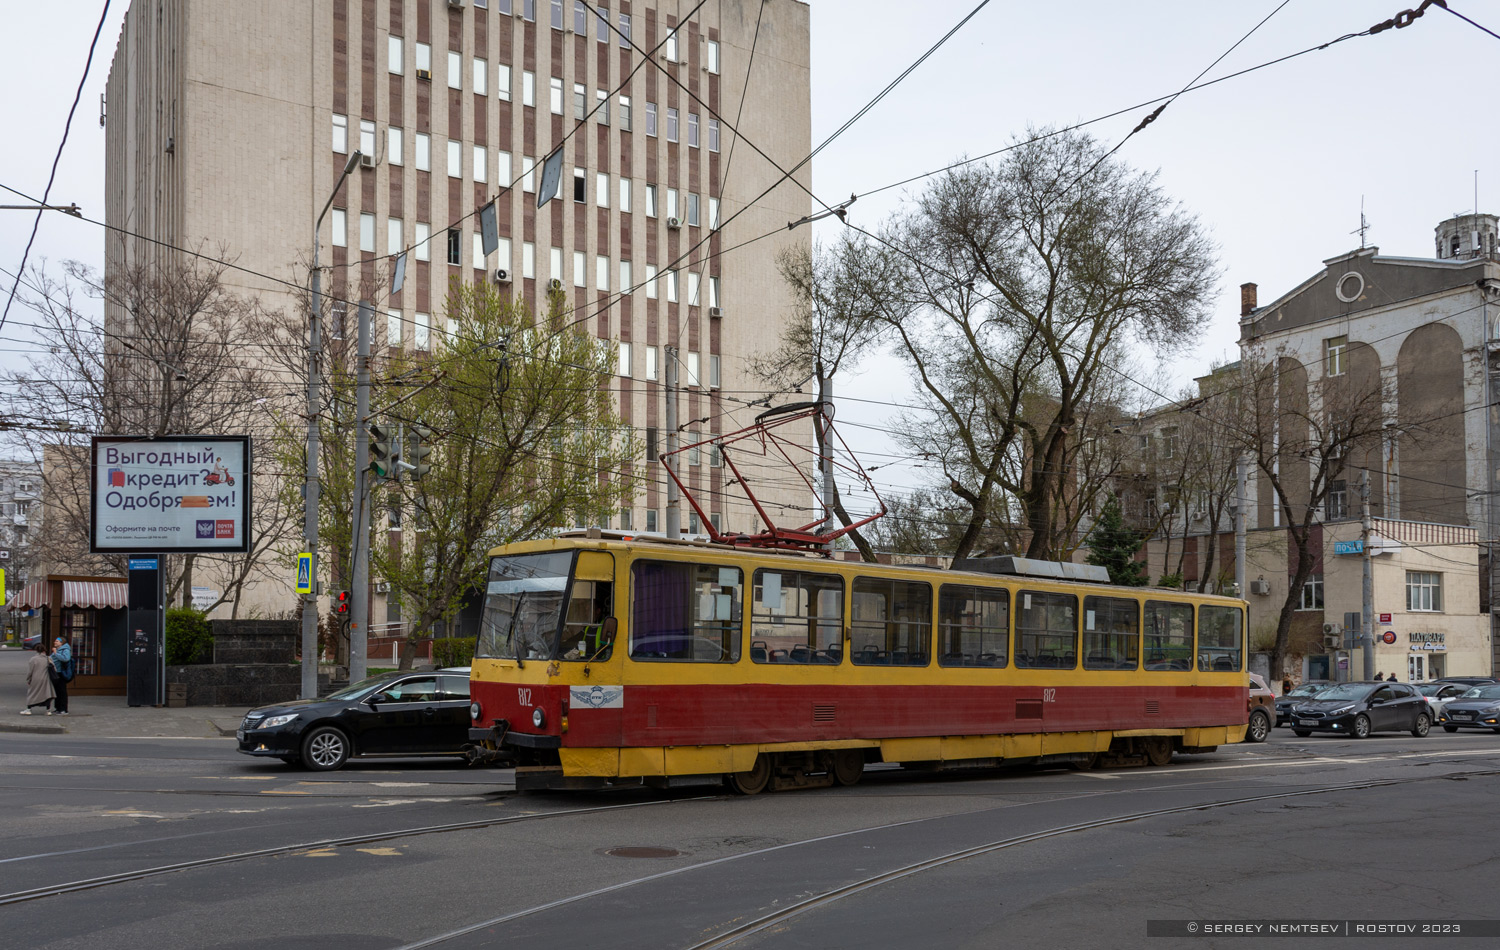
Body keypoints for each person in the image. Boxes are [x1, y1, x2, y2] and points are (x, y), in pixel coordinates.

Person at [22, 643, 55, 715]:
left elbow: (30, 671)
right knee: (47, 693)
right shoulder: (48, 658)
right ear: (44, 650)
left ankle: (29, 709)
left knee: (32, 693)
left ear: (36, 650)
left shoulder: (33, 659)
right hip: (46, 679)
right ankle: (48, 710)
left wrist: (28, 678)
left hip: (35, 678)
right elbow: (54, 668)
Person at [49, 636, 71, 716]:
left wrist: (55, 653)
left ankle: (63, 709)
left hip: (61, 673)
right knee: (57, 691)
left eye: (57, 641)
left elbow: (66, 659)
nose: (55, 642)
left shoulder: (65, 650)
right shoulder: (57, 650)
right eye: (55, 641)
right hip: (55, 672)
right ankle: (58, 708)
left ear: (62, 643)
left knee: (62, 691)